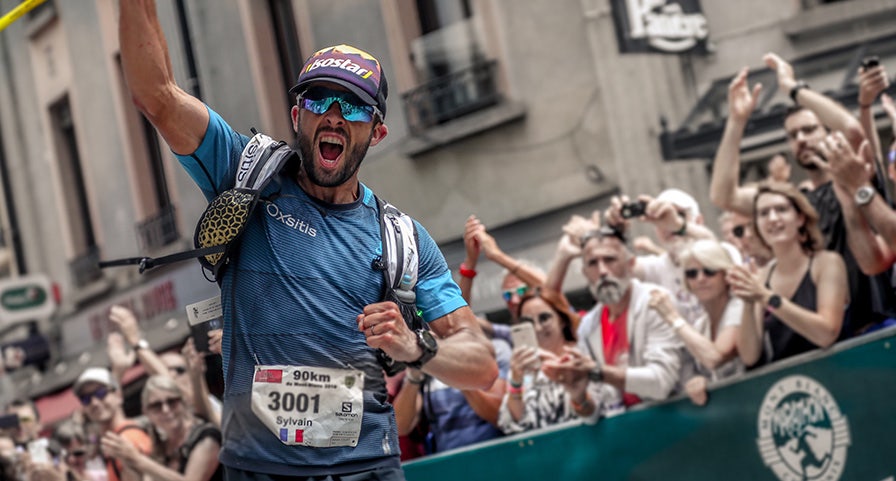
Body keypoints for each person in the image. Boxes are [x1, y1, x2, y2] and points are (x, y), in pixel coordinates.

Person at [118, 3, 497, 480]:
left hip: (368, 469)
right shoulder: (245, 176)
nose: (334, 117)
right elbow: (156, 95)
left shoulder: (402, 239)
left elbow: (482, 363)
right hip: (261, 469)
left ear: (377, 133)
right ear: (298, 115)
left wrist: (415, 346)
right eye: (319, 101)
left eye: (355, 107)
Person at [708, 54, 895, 337]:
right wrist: (736, 121)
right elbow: (724, 195)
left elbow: (853, 131)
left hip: (880, 324)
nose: (802, 139)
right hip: (831, 337)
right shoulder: (794, 202)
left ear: (827, 131)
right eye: (793, 135)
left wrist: (793, 88)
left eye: (810, 130)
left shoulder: (855, 175)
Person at [541, 224, 682, 422]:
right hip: (627, 437)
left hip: (676, 424)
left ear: (631, 264)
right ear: (585, 273)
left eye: (610, 260)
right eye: (593, 263)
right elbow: (593, 415)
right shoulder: (589, 325)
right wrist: (579, 396)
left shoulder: (656, 301)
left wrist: (596, 372)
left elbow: (661, 382)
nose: (602, 271)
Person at [728, 182, 848, 367]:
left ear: (800, 218)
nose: (773, 218)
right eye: (764, 213)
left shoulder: (827, 263)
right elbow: (749, 356)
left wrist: (768, 297)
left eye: (782, 209)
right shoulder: (761, 276)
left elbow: (826, 334)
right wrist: (748, 301)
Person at [647, 239, 745, 406]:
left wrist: (672, 317)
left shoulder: (739, 305)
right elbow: (693, 374)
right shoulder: (700, 325)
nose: (700, 279)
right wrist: (698, 381)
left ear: (726, 275)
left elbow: (714, 358)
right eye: (692, 274)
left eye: (709, 271)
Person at [497, 288, 585, 434]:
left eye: (544, 318)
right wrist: (516, 383)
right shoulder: (521, 367)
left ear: (561, 319)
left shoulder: (581, 354)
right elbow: (514, 424)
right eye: (528, 322)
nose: (537, 328)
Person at [101, 375, 222, 481]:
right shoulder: (160, 447)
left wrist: (138, 459)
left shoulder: (207, 436)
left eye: (172, 401)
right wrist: (127, 460)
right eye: (156, 406)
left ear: (183, 402)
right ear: (146, 413)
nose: (166, 410)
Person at [74, 367, 153, 481]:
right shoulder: (111, 441)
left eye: (101, 393)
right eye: (86, 399)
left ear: (118, 395)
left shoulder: (127, 439)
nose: (94, 402)